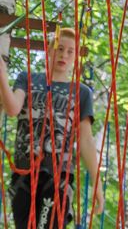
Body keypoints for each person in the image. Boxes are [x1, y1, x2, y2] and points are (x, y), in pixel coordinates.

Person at [0, 27, 104, 228]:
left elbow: (86, 141)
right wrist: (3, 76)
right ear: (49, 49)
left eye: (70, 51)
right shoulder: (27, 79)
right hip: (24, 174)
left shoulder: (81, 92)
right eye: (59, 48)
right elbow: (13, 108)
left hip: (58, 178)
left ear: (76, 56)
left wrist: (96, 183)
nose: (64, 55)